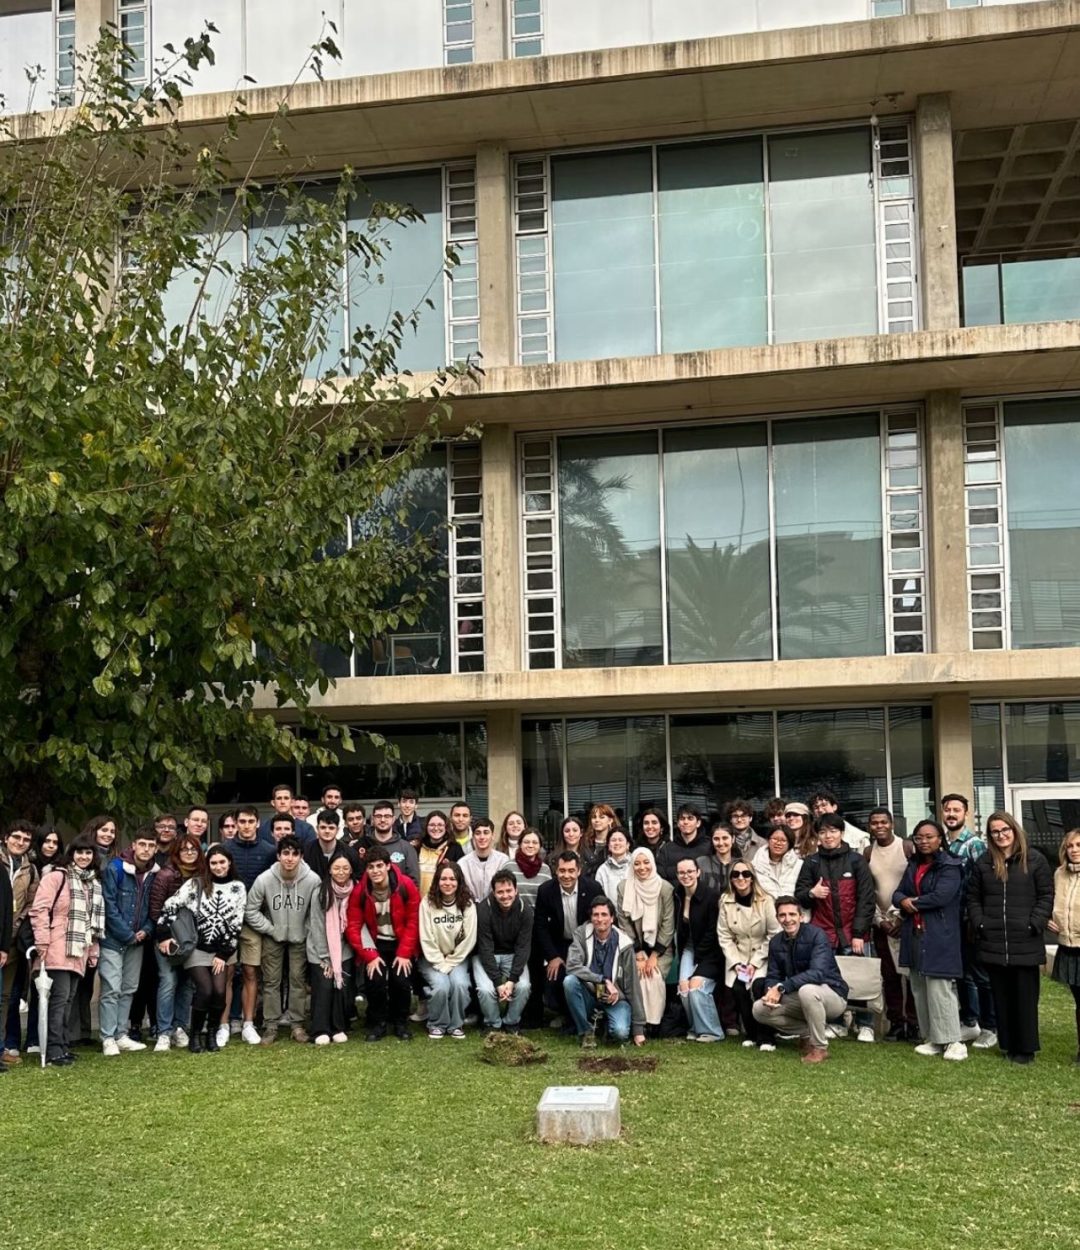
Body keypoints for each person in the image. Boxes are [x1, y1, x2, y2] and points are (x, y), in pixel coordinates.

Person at [967, 811, 1054, 1064]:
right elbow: (973, 897)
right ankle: (1007, 1044)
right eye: (995, 831)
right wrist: (980, 922)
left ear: (1014, 830)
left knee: (1025, 998)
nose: (1001, 835)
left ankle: (1025, 1048)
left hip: (1025, 940)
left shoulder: (1034, 860)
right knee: (1001, 996)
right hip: (993, 940)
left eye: (1005, 830)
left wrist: (1034, 923)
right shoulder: (984, 862)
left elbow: (1046, 895)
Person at [795, 813, 875, 1041]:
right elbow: (799, 895)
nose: (828, 836)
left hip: (853, 931)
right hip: (823, 933)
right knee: (828, 980)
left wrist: (859, 933)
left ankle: (864, 1023)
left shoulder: (856, 861)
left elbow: (866, 898)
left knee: (860, 977)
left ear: (841, 833)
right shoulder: (811, 862)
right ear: (817, 836)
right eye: (822, 832)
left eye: (832, 831)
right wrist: (813, 893)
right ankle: (837, 1021)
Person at [892, 819, 967, 1061]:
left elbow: (941, 896)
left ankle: (953, 1040)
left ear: (940, 839)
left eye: (929, 837)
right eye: (919, 837)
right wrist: (903, 900)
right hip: (914, 933)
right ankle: (933, 1038)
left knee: (939, 988)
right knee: (918, 986)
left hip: (939, 934)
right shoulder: (913, 864)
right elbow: (897, 893)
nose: (924, 841)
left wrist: (911, 903)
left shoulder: (950, 865)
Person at [161, 843, 246, 1053]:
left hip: (221, 950)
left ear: (229, 863)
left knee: (219, 992)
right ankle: (195, 1035)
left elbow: (237, 922)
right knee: (205, 990)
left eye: (222, 862)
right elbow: (171, 904)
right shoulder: (196, 884)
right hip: (197, 948)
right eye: (213, 863)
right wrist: (163, 934)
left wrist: (223, 954)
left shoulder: (238, 887)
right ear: (208, 865)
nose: (218, 867)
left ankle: (212, 1033)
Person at [28, 834, 105, 1067]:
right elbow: (39, 909)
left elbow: (92, 923)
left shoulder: (92, 883)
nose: (84, 856)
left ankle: (62, 1045)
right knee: (58, 999)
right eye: (79, 852)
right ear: (71, 854)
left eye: (88, 853)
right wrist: (42, 941)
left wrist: (93, 952)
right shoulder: (56, 877)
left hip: (79, 950)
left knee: (68, 999)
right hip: (56, 947)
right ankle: (52, 1050)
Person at [752, 896, 849, 1064]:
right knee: (759, 1009)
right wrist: (770, 992)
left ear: (801, 916)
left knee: (808, 990)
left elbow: (817, 974)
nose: (787, 919)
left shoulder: (817, 935)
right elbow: (773, 974)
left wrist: (782, 987)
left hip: (832, 994)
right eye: (782, 915)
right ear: (777, 918)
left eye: (792, 914)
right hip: (801, 995)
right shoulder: (776, 942)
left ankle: (819, 1048)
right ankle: (807, 1033)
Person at [244, 835, 320, 1045]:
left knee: (297, 980)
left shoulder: (312, 879)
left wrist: (304, 931)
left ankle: (297, 1024)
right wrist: (270, 929)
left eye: (295, 854)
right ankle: (270, 1025)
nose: (290, 858)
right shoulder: (265, 879)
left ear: (301, 856)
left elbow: (316, 912)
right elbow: (250, 910)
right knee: (271, 981)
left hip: (299, 938)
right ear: (278, 855)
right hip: (273, 936)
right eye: (285, 853)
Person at [346, 847, 420, 1042]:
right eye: (371, 867)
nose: (376, 871)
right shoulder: (360, 891)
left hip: (400, 942)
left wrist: (404, 953)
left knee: (401, 980)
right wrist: (369, 956)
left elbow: (414, 920)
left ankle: (400, 1021)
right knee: (375, 980)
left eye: (380, 866)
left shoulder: (405, 886)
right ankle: (377, 1022)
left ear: (388, 866)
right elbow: (353, 925)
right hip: (375, 942)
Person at [99, 826, 159, 1056]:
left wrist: (146, 929)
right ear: (133, 845)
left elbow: (155, 906)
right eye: (142, 844)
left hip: (138, 940)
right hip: (114, 939)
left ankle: (121, 1034)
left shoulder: (155, 872)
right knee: (111, 988)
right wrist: (126, 934)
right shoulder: (116, 868)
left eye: (151, 845)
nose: (146, 849)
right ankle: (107, 1037)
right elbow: (108, 904)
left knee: (129, 988)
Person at [941, 792, 995, 1048]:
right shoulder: (946, 845)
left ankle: (990, 1026)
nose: (951, 814)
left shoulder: (974, 844)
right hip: (952, 921)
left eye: (956, 810)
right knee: (962, 974)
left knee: (980, 975)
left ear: (966, 814)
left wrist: (977, 920)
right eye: (947, 810)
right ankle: (970, 1022)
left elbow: (984, 883)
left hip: (969, 920)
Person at [864, 808, 918, 1042]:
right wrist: (880, 920)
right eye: (874, 823)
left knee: (911, 974)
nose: (879, 826)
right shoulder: (867, 853)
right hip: (881, 923)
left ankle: (914, 1023)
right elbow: (867, 891)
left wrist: (901, 917)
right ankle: (896, 1023)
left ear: (892, 823)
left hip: (907, 919)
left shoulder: (907, 848)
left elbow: (917, 884)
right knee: (890, 975)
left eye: (883, 822)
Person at [564, 896, 646, 1048]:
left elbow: (632, 986)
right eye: (595, 915)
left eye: (604, 915)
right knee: (569, 982)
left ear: (612, 918)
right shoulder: (581, 934)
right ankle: (586, 1032)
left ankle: (606, 1025)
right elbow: (571, 965)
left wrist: (638, 1029)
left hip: (615, 999)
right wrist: (602, 979)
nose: (600, 919)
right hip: (590, 994)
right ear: (591, 917)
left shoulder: (625, 944)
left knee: (620, 1034)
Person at [533, 851, 602, 1026]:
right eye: (562, 871)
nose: (566, 875)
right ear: (556, 871)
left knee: (585, 976)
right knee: (555, 977)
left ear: (579, 871)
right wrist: (552, 957)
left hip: (586, 943)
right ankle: (564, 1013)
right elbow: (540, 926)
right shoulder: (546, 890)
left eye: (571, 871)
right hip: (559, 944)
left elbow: (601, 920)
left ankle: (590, 1013)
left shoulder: (593, 888)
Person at [718, 860, 780, 1050]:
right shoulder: (725, 901)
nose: (741, 878)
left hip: (763, 955)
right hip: (739, 955)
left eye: (745, 874)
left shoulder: (766, 901)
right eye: (736, 874)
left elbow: (773, 934)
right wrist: (736, 963)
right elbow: (724, 935)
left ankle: (767, 1036)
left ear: (752, 878)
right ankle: (751, 1034)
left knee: (759, 987)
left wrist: (754, 963)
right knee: (738, 988)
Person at [148, 834, 202, 1052]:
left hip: (192, 938)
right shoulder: (166, 875)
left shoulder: (203, 876)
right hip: (167, 937)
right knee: (168, 981)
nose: (189, 853)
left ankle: (180, 1027)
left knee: (188, 984)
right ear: (176, 853)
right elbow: (155, 909)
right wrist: (163, 936)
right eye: (184, 849)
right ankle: (164, 1031)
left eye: (193, 849)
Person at [615, 847, 674, 1032]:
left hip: (661, 947)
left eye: (646, 862)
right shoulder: (624, 887)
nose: (642, 867)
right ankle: (639, 1023)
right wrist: (638, 952)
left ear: (653, 863)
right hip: (634, 946)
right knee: (637, 975)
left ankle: (653, 1023)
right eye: (637, 863)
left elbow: (668, 924)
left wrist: (654, 955)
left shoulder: (664, 888)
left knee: (654, 975)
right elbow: (623, 922)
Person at [230, 809, 276, 1045]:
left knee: (250, 972)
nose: (246, 826)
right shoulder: (226, 849)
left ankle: (248, 1022)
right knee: (226, 974)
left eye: (250, 821)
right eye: (242, 821)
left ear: (258, 823)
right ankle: (224, 1023)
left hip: (254, 921)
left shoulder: (269, 851)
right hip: (227, 920)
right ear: (235, 823)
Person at [418, 861, 477, 1040]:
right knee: (441, 986)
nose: (448, 883)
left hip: (457, 957)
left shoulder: (467, 904)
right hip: (431, 958)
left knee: (460, 984)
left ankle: (455, 1024)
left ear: (459, 882)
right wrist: (439, 962)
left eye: (452, 879)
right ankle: (437, 1023)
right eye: (443, 878)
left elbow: (469, 939)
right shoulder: (427, 903)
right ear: (437, 881)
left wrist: (450, 962)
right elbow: (425, 937)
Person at [306, 849, 356, 1045]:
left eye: (345, 868)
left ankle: (338, 1027)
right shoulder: (321, 891)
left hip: (344, 948)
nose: (341, 872)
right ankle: (320, 1029)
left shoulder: (355, 889)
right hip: (320, 949)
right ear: (330, 870)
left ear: (351, 870)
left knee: (341, 987)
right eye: (337, 868)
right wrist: (325, 957)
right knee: (324, 986)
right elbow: (317, 925)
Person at [473, 868, 533, 1034]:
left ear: (516, 890)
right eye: (500, 892)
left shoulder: (525, 910)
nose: (505, 895)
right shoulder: (483, 909)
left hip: (512, 954)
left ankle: (511, 1022)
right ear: (493, 892)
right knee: (485, 990)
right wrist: (499, 983)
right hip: (486, 954)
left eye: (509, 891)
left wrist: (512, 979)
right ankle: (493, 1024)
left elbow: (523, 947)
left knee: (524, 986)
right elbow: (485, 947)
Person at [672, 857, 725, 1043]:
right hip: (688, 949)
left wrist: (698, 963)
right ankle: (695, 1028)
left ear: (698, 872)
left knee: (695, 986)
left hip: (711, 952)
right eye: (681, 872)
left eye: (689, 871)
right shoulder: (677, 894)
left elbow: (713, 932)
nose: (686, 876)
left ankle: (713, 1032)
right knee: (683, 988)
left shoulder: (711, 897)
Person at [1, 820, 40, 1066]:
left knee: (5, 997)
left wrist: (16, 926)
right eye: (16, 837)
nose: (20, 843)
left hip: (12, 940)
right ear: (6, 838)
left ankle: (3, 1046)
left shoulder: (30, 869)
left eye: (26, 840)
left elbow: (31, 902)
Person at [1049, 828, 1080, 1064]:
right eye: (1070, 846)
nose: (1074, 850)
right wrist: (1050, 919)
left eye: (1079, 845)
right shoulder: (1059, 874)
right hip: (1068, 945)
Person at [368, 800, 420, 886]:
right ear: (373, 819)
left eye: (387, 816)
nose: (383, 820)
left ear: (393, 819)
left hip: (399, 898)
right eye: (378, 816)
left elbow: (414, 883)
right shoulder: (365, 845)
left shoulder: (406, 848)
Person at [656, 804, 711, 883]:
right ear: (678, 823)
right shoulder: (666, 849)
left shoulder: (709, 847)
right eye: (682, 818)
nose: (686, 822)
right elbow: (661, 880)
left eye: (690, 818)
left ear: (698, 823)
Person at [459, 818, 510, 901]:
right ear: (473, 837)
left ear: (493, 835)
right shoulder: (462, 864)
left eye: (486, 833)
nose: (482, 837)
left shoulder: (504, 861)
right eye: (478, 833)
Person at [416, 810, 464, 896]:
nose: (436, 828)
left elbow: (461, 877)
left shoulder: (455, 848)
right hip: (419, 901)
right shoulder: (417, 847)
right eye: (432, 825)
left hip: (443, 901)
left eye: (440, 825)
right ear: (426, 827)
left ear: (446, 827)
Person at [304, 810, 362, 881]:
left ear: (337, 830)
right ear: (317, 828)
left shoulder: (350, 853)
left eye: (331, 828)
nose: (327, 831)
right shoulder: (306, 851)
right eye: (323, 827)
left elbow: (358, 878)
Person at [751, 825, 802, 902]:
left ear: (790, 844)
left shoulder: (799, 865)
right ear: (768, 840)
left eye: (783, 840)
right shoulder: (754, 865)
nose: (778, 843)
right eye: (775, 839)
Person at [510, 828, 551, 908]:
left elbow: (549, 897)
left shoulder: (545, 869)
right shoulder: (509, 866)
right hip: (515, 917)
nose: (530, 845)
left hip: (538, 917)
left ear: (540, 846)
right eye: (526, 842)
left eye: (535, 843)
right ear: (520, 844)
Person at [595, 828, 631, 900]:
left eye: (620, 840)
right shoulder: (602, 870)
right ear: (608, 845)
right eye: (613, 840)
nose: (617, 843)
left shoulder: (636, 865)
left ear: (627, 845)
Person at [699, 822, 735, 895]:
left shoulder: (740, 864)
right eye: (716, 839)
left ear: (733, 839)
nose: (721, 843)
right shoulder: (701, 863)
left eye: (725, 838)